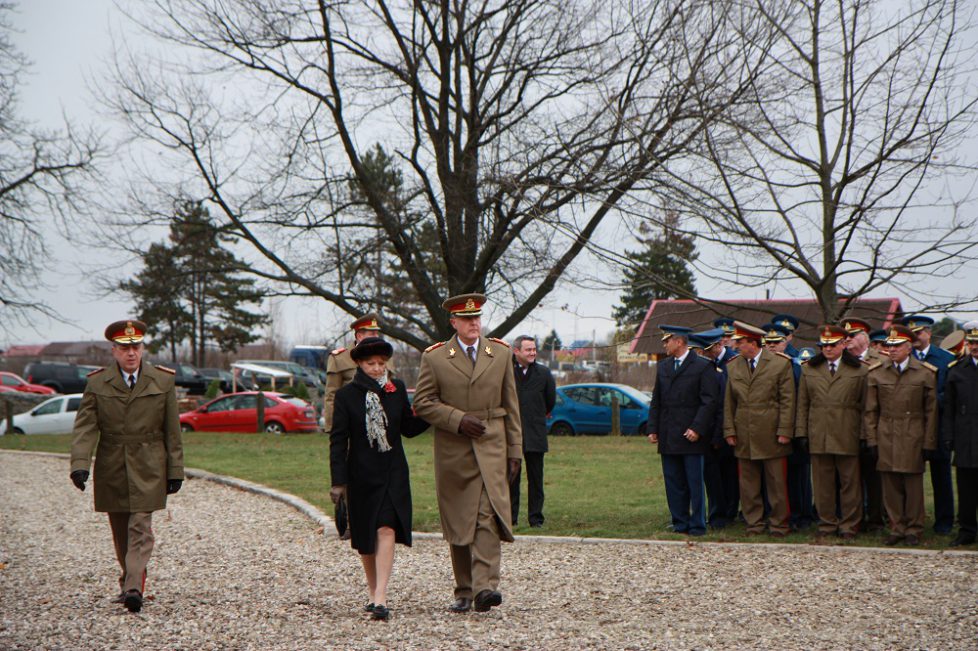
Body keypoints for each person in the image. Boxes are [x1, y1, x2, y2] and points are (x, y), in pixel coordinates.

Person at [413, 293, 522, 614]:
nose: (474, 323)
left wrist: (515, 450)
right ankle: (464, 589)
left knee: (488, 514)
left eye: (478, 317)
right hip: (454, 449)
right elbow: (422, 403)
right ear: (454, 322)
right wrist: (457, 420)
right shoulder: (434, 358)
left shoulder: (500, 353)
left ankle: (485, 587)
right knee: (461, 521)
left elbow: (512, 404)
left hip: (493, 443)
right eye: (467, 318)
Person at [69, 319, 184, 613]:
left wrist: (175, 471)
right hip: (113, 465)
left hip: (149, 465)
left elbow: (172, 431)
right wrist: (80, 464)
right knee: (121, 531)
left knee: (140, 528)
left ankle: (134, 587)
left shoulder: (163, 380)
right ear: (114, 351)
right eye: (124, 348)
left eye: (135, 346)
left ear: (143, 348)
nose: (131, 353)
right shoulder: (97, 383)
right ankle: (129, 579)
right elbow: (85, 428)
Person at [329, 336, 429, 621]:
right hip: (360, 474)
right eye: (371, 364)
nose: (376, 368)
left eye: (381, 364)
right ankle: (373, 593)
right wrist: (338, 482)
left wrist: (432, 412)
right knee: (365, 538)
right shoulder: (347, 396)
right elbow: (338, 441)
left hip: (393, 471)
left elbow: (407, 427)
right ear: (359, 364)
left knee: (386, 529)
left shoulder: (395, 389)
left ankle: (381, 597)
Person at [864, 325, 938, 546]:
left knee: (913, 485)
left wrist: (929, 441)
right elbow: (870, 410)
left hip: (913, 433)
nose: (892, 349)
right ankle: (897, 527)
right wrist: (872, 439)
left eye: (897, 346)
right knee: (891, 484)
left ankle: (914, 528)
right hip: (886, 432)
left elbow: (931, 412)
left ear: (908, 347)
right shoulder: (877, 372)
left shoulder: (925, 372)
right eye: (889, 346)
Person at [796, 325, 869, 540]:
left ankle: (849, 524)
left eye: (832, 344)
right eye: (824, 345)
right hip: (819, 432)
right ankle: (826, 523)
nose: (827, 349)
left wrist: (865, 435)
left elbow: (866, 407)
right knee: (823, 483)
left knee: (850, 483)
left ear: (844, 344)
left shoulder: (860, 369)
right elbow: (803, 405)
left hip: (848, 431)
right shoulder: (809, 369)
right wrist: (801, 433)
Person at [724, 321, 796, 537]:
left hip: (771, 433)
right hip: (744, 433)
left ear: (753, 343)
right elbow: (729, 402)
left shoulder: (779, 364)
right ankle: (754, 523)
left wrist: (785, 430)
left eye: (740, 342)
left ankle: (779, 524)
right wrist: (729, 430)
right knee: (748, 485)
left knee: (776, 484)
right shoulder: (733, 365)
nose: (736, 346)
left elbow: (787, 401)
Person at [647, 325, 719, 536]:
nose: (664, 345)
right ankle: (679, 522)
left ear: (679, 342)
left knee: (694, 482)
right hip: (669, 434)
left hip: (691, 436)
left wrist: (697, 428)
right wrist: (653, 428)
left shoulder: (702, 366)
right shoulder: (664, 366)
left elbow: (709, 401)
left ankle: (697, 524)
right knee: (673, 481)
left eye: (667, 340)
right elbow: (656, 400)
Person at [901, 314, 955, 535]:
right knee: (908, 475)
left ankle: (944, 521)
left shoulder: (944, 359)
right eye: (912, 334)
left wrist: (930, 401)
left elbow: (950, 392)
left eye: (920, 332)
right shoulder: (904, 358)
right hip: (910, 425)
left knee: (941, 476)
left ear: (929, 333)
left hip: (938, 424)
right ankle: (910, 520)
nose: (916, 337)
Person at [763, 322, 813, 530]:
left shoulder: (795, 366)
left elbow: (800, 401)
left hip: (791, 429)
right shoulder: (762, 366)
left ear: (787, 341)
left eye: (777, 342)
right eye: (769, 342)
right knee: (772, 479)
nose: (772, 346)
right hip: (768, 430)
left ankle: (801, 515)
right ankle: (774, 514)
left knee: (796, 476)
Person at [508, 335, 556, 528]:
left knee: (536, 479)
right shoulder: (506, 372)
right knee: (511, 478)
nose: (533, 353)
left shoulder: (544, 373)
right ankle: (510, 517)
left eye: (534, 349)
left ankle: (535, 518)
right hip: (512, 435)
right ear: (516, 351)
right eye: (528, 349)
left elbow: (550, 401)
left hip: (535, 434)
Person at [694, 329, 739, 528]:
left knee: (726, 476)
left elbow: (723, 405)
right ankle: (719, 513)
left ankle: (725, 513)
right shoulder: (708, 370)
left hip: (719, 431)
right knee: (713, 477)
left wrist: (719, 433)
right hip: (707, 432)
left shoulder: (723, 370)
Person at [324, 313, 393, 432]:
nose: (376, 337)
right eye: (372, 334)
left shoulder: (386, 357)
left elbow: (391, 390)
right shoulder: (340, 358)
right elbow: (331, 395)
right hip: (351, 421)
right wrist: (333, 426)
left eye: (377, 333)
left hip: (380, 421)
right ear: (360, 336)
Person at [941, 326, 978, 547]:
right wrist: (949, 437)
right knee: (966, 488)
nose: (974, 347)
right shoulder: (957, 370)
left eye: (977, 343)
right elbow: (949, 408)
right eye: (972, 343)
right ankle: (967, 530)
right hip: (965, 437)